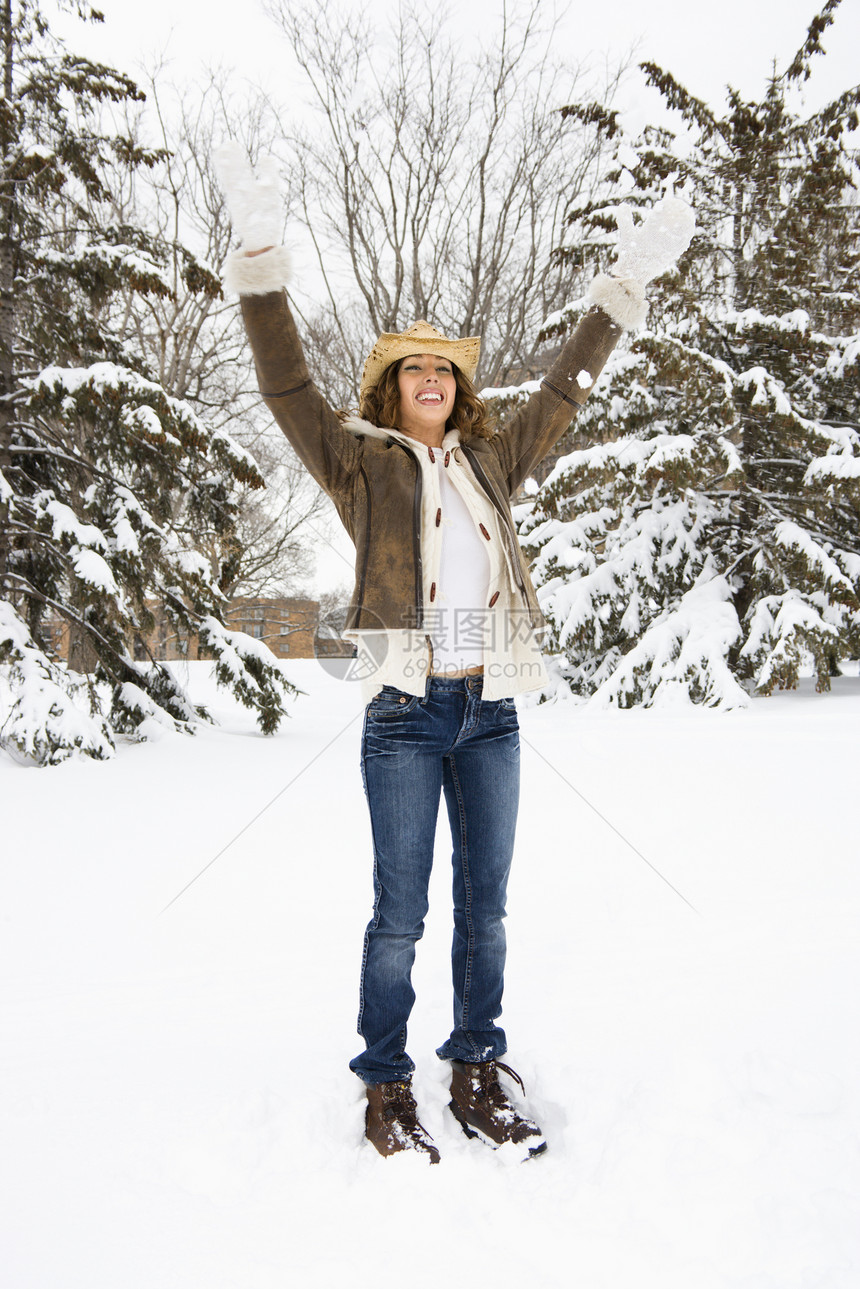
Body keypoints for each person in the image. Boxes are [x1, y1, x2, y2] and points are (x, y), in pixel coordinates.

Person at [217, 146, 694, 1163]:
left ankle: (474, 1062)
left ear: (456, 390)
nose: (431, 375)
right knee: (401, 911)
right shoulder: (359, 463)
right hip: (403, 709)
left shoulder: (490, 461)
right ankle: (385, 1080)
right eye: (412, 367)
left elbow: (563, 391)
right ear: (389, 390)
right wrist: (261, 266)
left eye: (444, 367)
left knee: (487, 906)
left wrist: (622, 293)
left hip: (490, 708)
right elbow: (286, 381)